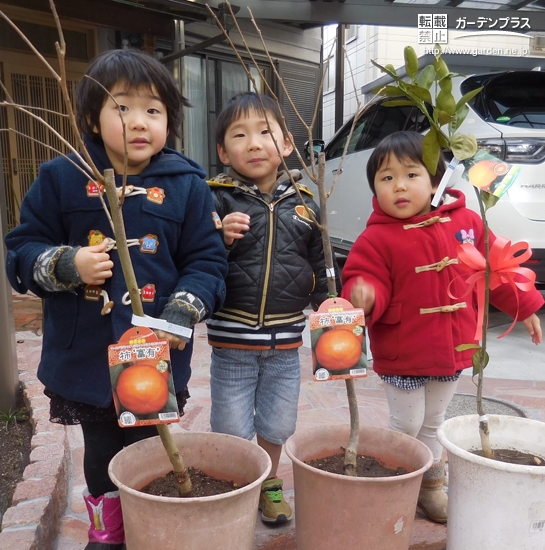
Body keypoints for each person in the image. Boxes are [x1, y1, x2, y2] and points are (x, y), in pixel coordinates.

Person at [5, 49, 228, 550]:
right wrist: (67, 264)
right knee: (102, 447)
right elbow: (20, 251)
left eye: (154, 110)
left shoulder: (188, 186)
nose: (139, 122)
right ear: (91, 118)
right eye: (122, 107)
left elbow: (208, 262)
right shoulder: (61, 177)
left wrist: (181, 312)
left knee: (149, 448)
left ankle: (149, 530)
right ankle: (108, 535)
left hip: (157, 352)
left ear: (169, 120)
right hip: (85, 354)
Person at [341, 131, 544, 524]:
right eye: (386, 178)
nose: (399, 185)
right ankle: (397, 480)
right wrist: (363, 294)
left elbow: (495, 269)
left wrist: (525, 306)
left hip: (454, 348)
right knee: (406, 424)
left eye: (411, 174)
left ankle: (430, 488)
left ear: (436, 180)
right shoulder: (375, 238)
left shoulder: (467, 222)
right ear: (375, 190)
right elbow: (367, 278)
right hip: (403, 353)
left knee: (434, 422)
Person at [207, 91, 339, 524]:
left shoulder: (304, 202)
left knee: (279, 423)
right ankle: (235, 486)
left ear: (285, 144)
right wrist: (219, 237)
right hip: (232, 344)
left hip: (286, 344)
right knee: (230, 426)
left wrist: (330, 308)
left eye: (265, 132)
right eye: (240, 135)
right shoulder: (218, 200)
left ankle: (269, 484)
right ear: (224, 152)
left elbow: (320, 264)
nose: (254, 142)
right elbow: (199, 260)